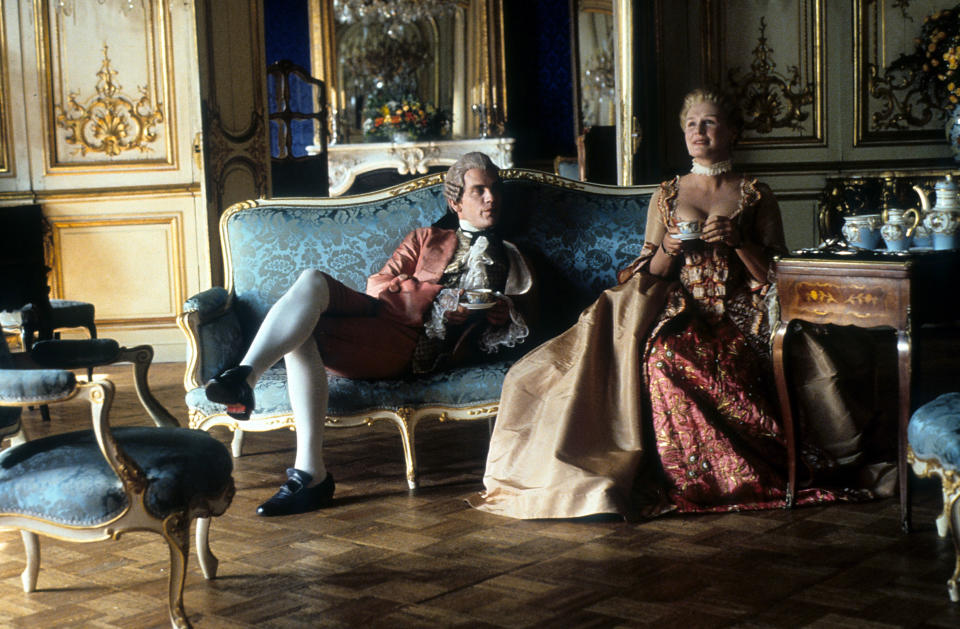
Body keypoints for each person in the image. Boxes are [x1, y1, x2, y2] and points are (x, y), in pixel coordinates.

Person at [468, 88, 854, 520]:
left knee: (735, 362)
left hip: (743, 311)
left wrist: (739, 241)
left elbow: (777, 274)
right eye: (691, 124)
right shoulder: (667, 194)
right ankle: (689, 478)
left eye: (709, 123)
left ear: (733, 132)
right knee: (666, 356)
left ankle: (747, 473)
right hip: (681, 307)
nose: (698, 132)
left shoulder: (756, 193)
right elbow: (643, 274)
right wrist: (668, 247)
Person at [206, 152, 535, 516]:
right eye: (479, 191)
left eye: (494, 189)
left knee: (304, 334)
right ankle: (245, 378)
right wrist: (426, 293)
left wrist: (496, 314)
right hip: (381, 315)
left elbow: (517, 317)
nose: (491, 198)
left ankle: (309, 474)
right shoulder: (426, 238)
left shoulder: (511, 257)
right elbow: (376, 284)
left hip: (409, 346)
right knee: (312, 279)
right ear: (456, 201)